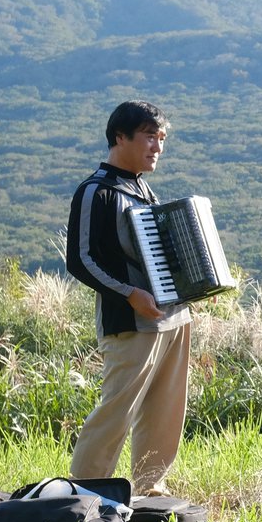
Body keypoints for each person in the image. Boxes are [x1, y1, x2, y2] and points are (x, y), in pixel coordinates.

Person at [65, 100, 191, 497]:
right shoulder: (95, 191)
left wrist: (194, 287)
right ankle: (85, 495)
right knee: (116, 411)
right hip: (129, 320)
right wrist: (130, 294)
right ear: (120, 137)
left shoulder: (142, 188)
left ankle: (150, 489)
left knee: (166, 409)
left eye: (162, 139)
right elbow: (80, 260)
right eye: (150, 136)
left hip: (173, 318)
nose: (158, 147)